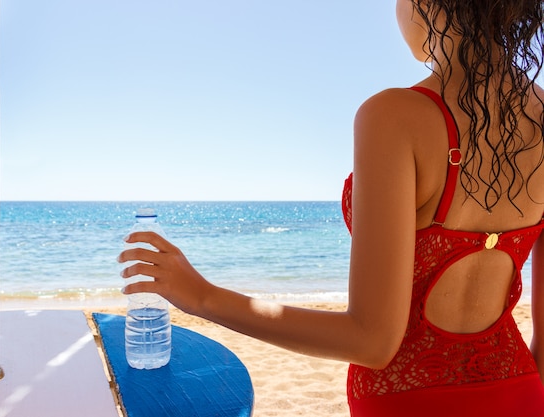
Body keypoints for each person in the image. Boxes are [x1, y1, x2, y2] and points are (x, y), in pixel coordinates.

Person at [117, 1, 544, 415]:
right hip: (522, 391)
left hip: (407, 403)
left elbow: (372, 342)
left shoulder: (395, 116)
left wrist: (202, 295)